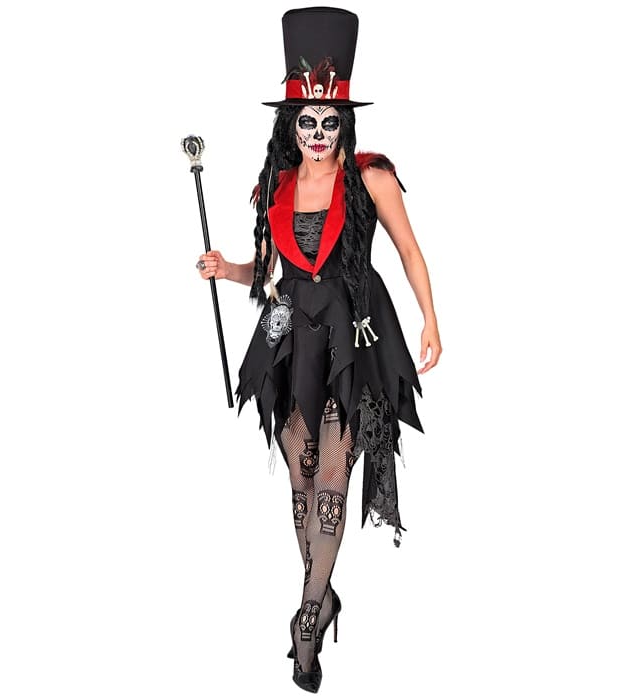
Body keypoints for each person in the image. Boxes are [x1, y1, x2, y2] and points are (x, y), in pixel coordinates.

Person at [195, 7, 441, 693]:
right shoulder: (274, 187)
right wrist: (228, 269)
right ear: (290, 123)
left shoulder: (371, 177)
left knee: (333, 476)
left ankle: (307, 618)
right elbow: (269, 269)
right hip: (292, 334)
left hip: (355, 334)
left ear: (344, 122)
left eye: (330, 122)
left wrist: (431, 319)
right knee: (301, 480)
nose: (319, 135)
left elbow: (409, 250)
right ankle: (323, 597)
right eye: (307, 122)